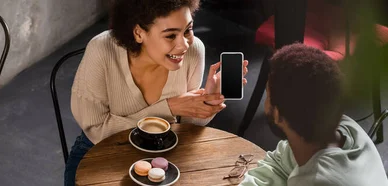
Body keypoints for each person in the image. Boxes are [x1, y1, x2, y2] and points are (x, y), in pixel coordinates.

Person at [64, 0, 249, 185]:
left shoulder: (194, 51)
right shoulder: (101, 50)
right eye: (170, 36)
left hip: (166, 153)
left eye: (187, 30)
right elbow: (96, 128)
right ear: (139, 33)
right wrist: (168, 108)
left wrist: (206, 102)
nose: (184, 44)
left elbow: (186, 126)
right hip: (100, 152)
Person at [240, 43, 388, 186]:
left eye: (267, 94)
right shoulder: (344, 127)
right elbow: (279, 162)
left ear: (278, 114)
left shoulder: (316, 180)